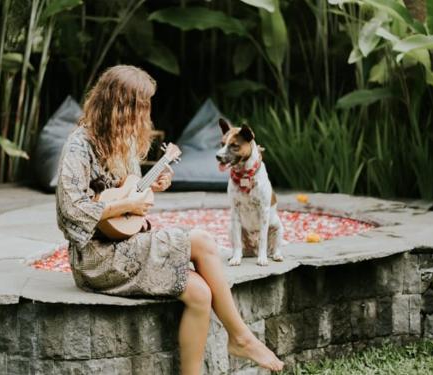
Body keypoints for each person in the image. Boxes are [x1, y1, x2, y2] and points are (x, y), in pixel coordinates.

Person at [55, 65, 284, 374]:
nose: (146, 112)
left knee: (201, 294)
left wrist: (149, 189)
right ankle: (241, 336)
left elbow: (129, 208)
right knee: (201, 240)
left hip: (124, 245)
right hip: (96, 259)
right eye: (142, 105)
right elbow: (70, 209)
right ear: (120, 105)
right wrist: (126, 203)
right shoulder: (79, 144)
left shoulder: (126, 143)